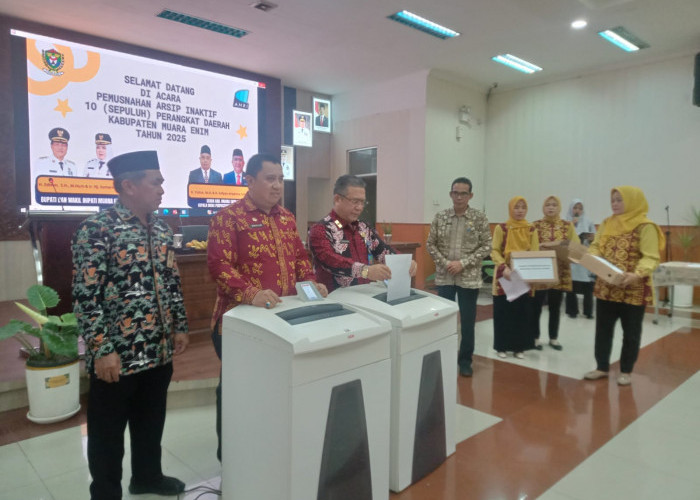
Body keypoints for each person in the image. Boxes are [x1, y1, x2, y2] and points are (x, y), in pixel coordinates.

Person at [71, 150, 189, 499]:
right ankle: (106, 493)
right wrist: (101, 349)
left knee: (150, 422)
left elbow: (171, 281)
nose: (162, 189)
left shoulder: (162, 229)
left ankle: (147, 477)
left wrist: (180, 325)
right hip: (117, 355)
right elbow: (85, 296)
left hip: (158, 349)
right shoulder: (96, 229)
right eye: (156, 182)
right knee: (107, 434)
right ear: (128, 186)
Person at [207, 153, 328, 461]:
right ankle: (231, 457)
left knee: (277, 387)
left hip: (284, 320)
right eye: (270, 179)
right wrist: (251, 293)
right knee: (237, 389)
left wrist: (311, 283)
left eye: (281, 179)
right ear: (249, 181)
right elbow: (219, 266)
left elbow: (300, 258)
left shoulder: (286, 218)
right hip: (239, 323)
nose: (277, 186)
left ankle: (269, 450)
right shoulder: (228, 218)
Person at [583, 186, 664, 386]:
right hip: (607, 287)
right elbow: (596, 246)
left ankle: (626, 370)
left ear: (632, 201)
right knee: (603, 330)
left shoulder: (646, 227)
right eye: (613, 200)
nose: (615, 204)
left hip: (633, 289)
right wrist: (592, 258)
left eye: (620, 200)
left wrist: (637, 274)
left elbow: (651, 257)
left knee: (631, 333)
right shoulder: (607, 223)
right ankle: (601, 367)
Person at [426, 177, 491, 377]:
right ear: (450, 194)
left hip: (468, 278)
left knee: (468, 322)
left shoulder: (479, 218)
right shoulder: (441, 217)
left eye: (464, 193)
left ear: (470, 195)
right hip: (445, 277)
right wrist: (445, 263)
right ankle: (443, 357)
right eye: (456, 193)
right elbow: (430, 244)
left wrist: (463, 263)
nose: (459, 197)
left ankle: (465, 361)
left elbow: (487, 246)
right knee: (444, 320)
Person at [308, 174, 417, 293]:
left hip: (364, 295)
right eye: (355, 202)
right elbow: (330, 261)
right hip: (334, 298)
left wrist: (404, 262)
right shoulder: (321, 229)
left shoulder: (363, 228)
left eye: (362, 202)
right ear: (337, 199)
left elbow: (382, 250)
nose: (359, 208)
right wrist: (366, 271)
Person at [491, 196, 539, 359]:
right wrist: (503, 267)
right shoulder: (502, 228)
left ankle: (519, 347)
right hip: (504, 276)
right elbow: (494, 250)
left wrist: (531, 271)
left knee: (521, 312)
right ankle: (502, 347)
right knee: (503, 312)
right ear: (510, 209)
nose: (520, 211)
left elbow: (535, 252)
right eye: (516, 207)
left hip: (524, 276)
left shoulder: (531, 229)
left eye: (523, 207)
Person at [531, 196, 580, 351]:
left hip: (560, 271)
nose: (551, 208)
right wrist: (540, 246)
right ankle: (535, 337)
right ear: (543, 207)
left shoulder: (567, 226)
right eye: (547, 205)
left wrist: (558, 245)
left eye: (554, 205)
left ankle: (553, 338)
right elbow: (529, 245)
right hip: (540, 271)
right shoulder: (535, 225)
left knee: (555, 306)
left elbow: (576, 245)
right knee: (536, 306)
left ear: (559, 208)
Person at [565, 198, 597, 319]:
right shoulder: (566, 222)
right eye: (575, 208)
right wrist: (572, 226)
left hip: (584, 256)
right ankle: (572, 311)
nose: (577, 210)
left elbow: (595, 239)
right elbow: (562, 238)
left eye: (580, 208)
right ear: (571, 209)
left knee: (588, 285)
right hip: (571, 256)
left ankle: (588, 312)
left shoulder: (588, 221)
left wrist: (591, 238)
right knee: (571, 285)